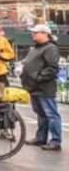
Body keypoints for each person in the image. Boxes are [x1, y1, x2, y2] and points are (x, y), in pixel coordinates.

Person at [21, 24, 62, 152]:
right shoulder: (35, 48)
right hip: (34, 87)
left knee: (50, 114)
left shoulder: (50, 48)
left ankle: (55, 141)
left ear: (45, 34)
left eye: (36, 32)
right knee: (41, 114)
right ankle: (40, 138)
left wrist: (38, 77)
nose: (33, 34)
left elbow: (52, 68)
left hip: (44, 87)